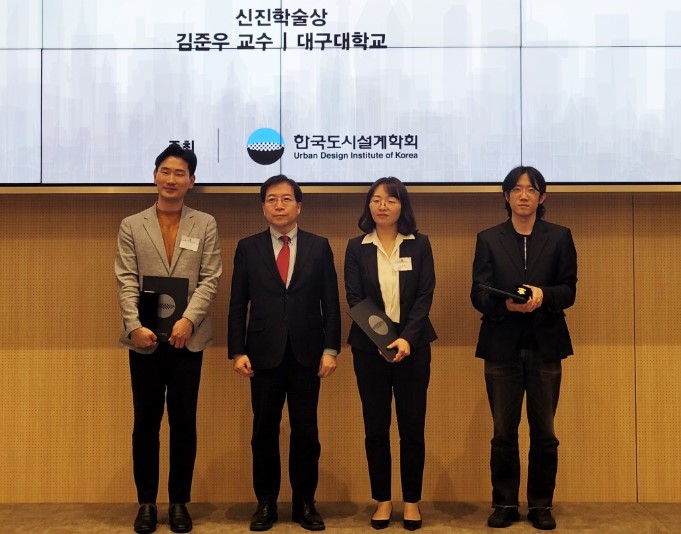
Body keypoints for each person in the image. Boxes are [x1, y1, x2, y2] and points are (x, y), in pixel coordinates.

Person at [115, 144, 222, 534]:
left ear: (191, 181)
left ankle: (179, 503)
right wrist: (134, 325)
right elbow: (126, 279)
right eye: (165, 171)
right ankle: (146, 503)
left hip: (186, 340)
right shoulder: (132, 224)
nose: (171, 179)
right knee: (145, 423)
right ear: (155, 175)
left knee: (183, 422)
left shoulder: (205, 224)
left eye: (179, 173)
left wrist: (189, 320)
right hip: (143, 340)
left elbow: (210, 278)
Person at [228, 175, 341, 532]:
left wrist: (331, 349)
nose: (279, 205)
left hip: (308, 353)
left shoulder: (319, 246)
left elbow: (331, 303)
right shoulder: (248, 248)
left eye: (286, 199)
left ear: (299, 206)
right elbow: (237, 304)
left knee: (306, 432)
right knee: (264, 430)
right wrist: (237, 351)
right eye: (272, 199)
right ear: (263, 207)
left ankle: (305, 503)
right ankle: (266, 503)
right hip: (263, 353)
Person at [470, 166, 577, 531]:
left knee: (545, 432)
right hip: (501, 345)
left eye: (531, 190)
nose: (524, 195)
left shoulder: (560, 236)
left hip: (546, 345)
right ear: (506, 196)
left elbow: (569, 289)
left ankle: (541, 505)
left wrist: (543, 295)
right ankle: (504, 503)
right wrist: (505, 305)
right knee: (504, 432)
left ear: (542, 197)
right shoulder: (488, 238)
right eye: (516, 189)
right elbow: (478, 293)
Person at [344, 177, 437, 531]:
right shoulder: (357, 247)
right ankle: (382, 500)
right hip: (370, 350)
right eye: (376, 199)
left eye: (391, 200)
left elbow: (425, 295)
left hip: (414, 348)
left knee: (412, 428)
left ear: (403, 206)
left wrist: (406, 339)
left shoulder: (420, 244)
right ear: (368, 205)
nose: (382, 206)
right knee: (375, 428)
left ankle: (411, 501)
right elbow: (355, 298)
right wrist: (383, 342)